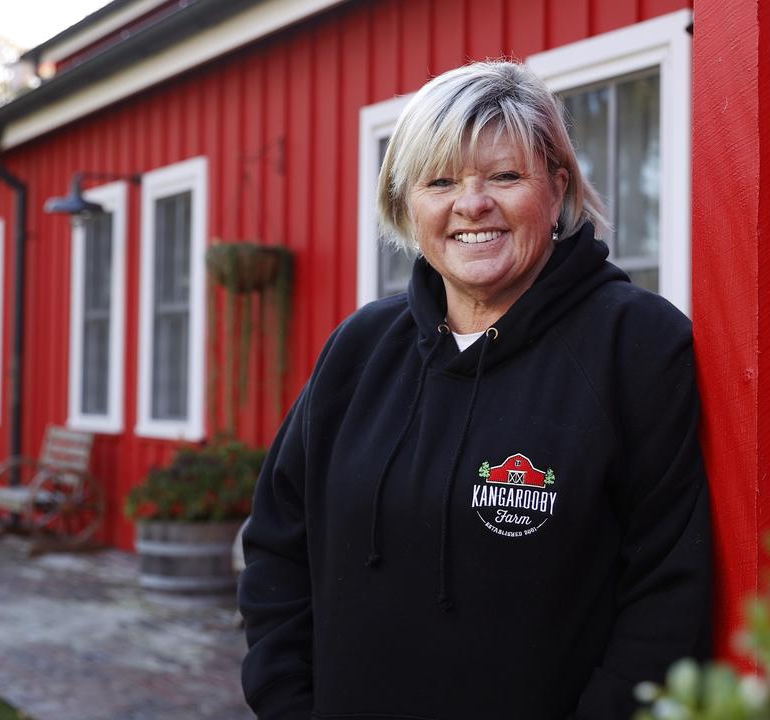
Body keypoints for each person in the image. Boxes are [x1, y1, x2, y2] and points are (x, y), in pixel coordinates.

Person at [238, 60, 712, 720]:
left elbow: (670, 592)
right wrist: (287, 702)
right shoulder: (360, 349)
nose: (472, 205)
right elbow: (276, 546)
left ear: (557, 185)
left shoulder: (636, 346)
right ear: (406, 205)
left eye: (505, 176)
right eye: (440, 182)